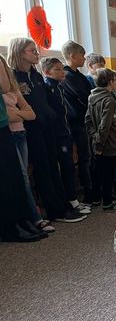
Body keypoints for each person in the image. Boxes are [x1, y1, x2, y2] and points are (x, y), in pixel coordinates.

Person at [9, 37, 85, 223]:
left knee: (53, 168)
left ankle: (63, 205)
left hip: (49, 128)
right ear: (19, 53)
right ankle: (55, 210)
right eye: (32, 51)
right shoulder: (14, 77)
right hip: (31, 130)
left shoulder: (35, 76)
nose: (37, 53)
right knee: (43, 170)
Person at [0, 54, 43, 242]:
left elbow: (6, 87)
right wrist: (19, 114)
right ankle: (13, 225)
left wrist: (16, 114)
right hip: (5, 125)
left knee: (16, 177)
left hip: (8, 127)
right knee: (10, 179)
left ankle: (23, 220)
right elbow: (4, 87)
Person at [40, 57, 86, 212]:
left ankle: (72, 199)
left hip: (66, 133)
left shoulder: (59, 87)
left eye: (62, 68)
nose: (62, 72)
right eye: (57, 69)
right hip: (56, 137)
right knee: (64, 168)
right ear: (47, 72)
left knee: (69, 167)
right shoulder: (48, 88)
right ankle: (69, 201)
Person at [85, 69, 116, 211]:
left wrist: (95, 138)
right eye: (115, 80)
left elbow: (88, 120)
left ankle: (96, 199)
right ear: (110, 82)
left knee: (98, 172)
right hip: (109, 143)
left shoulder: (92, 97)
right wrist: (100, 144)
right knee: (108, 175)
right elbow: (105, 125)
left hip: (97, 141)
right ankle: (108, 203)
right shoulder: (109, 99)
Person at [61, 41, 94, 198]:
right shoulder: (66, 75)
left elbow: (90, 94)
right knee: (83, 157)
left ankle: (92, 186)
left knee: (88, 156)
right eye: (82, 55)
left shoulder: (80, 76)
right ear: (73, 56)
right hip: (76, 122)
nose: (84, 58)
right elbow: (83, 97)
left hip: (85, 120)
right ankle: (88, 190)